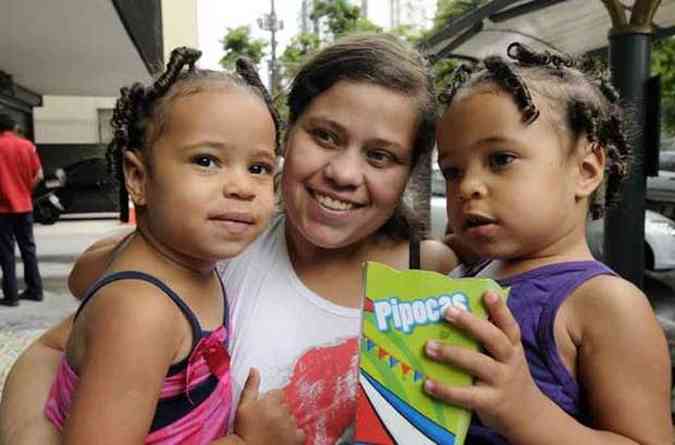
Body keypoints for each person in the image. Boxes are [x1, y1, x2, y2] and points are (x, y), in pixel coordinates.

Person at [0, 33, 459, 445]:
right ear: (287, 135)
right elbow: (57, 346)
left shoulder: (433, 277)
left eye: (380, 156)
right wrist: (27, 432)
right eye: (324, 136)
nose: (343, 173)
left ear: (410, 171)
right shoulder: (217, 247)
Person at [21, 47, 304, 445]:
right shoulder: (142, 311)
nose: (241, 187)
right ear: (137, 177)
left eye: (258, 168)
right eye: (206, 161)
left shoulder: (195, 262)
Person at [422, 42, 672, 444]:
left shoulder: (607, 305)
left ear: (586, 170)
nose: (467, 186)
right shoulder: (464, 272)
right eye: (452, 171)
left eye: (500, 159)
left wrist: (526, 414)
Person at [0, 112, 44, 306]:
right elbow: (39, 175)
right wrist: (26, 190)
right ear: (13, 127)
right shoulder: (27, 146)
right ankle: (35, 290)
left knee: (6, 252)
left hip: (2, 209)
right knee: (28, 249)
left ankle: (11, 296)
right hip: (24, 206)